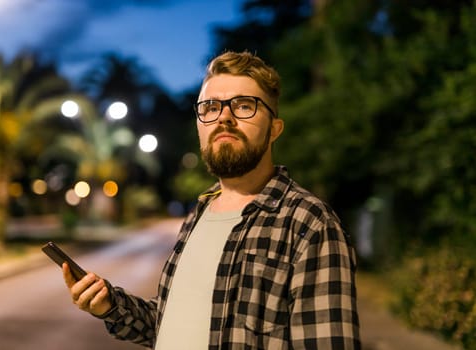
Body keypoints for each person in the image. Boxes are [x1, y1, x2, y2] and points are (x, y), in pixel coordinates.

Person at [63, 50, 361, 349]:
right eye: (211, 107)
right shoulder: (200, 213)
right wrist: (110, 305)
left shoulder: (308, 224)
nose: (225, 118)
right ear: (199, 123)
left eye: (244, 106)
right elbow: (169, 323)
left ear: (274, 130)